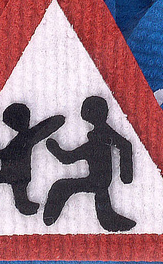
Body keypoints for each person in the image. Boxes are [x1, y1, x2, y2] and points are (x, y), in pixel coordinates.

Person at [43, 95, 137, 232]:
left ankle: (50, 216)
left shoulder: (101, 136)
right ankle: (108, 218)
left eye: (86, 110)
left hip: (98, 178)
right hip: (101, 178)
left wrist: (126, 175)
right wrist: (126, 175)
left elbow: (67, 158)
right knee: (75, 188)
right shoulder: (102, 133)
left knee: (61, 186)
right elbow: (125, 145)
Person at [0, 104, 65, 215]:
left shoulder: (25, 138)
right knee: (16, 191)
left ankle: (25, 205)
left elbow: (43, 129)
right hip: (18, 174)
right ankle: (25, 205)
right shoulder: (26, 137)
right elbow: (43, 129)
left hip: (12, 173)